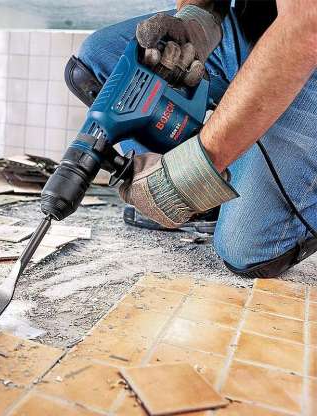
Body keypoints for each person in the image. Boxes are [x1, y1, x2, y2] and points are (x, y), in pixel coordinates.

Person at [64, 0, 317, 278]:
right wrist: (198, 18)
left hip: (306, 42)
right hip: (254, 31)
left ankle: (201, 186)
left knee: (250, 250)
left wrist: (198, 163)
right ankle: (201, 204)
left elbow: (307, 22)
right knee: (102, 59)